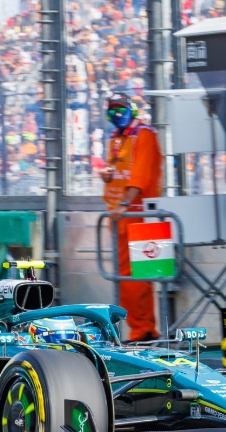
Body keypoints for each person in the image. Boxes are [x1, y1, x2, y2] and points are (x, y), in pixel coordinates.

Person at [100, 92, 162, 342]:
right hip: (121, 217)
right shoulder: (116, 138)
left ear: (131, 109)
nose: (116, 115)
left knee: (139, 277)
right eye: (111, 111)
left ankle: (143, 330)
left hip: (140, 215)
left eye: (120, 109)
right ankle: (141, 329)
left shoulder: (143, 134)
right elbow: (121, 171)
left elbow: (141, 176)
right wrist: (108, 176)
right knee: (129, 278)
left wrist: (125, 204)